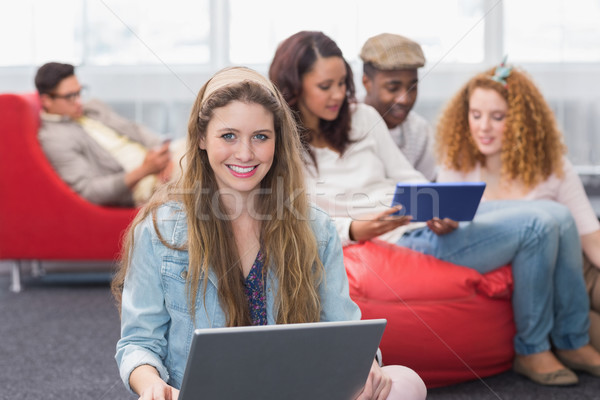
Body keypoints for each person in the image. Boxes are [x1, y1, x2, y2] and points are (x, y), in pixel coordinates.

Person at [268, 30, 600, 386]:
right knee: (537, 226)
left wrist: (437, 207)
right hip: (393, 244)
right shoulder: (283, 148)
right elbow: (296, 220)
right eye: (325, 86)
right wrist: (354, 228)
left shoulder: (361, 118)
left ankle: (572, 340)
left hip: (416, 221)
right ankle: (532, 350)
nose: (338, 95)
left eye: (342, 84)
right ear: (294, 87)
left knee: (560, 216)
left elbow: (405, 175)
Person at [112, 66, 427, 400]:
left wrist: (366, 367)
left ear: (277, 141)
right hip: (205, 395)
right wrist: (151, 385)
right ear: (202, 138)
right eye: (228, 135)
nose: (245, 153)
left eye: (260, 136)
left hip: (297, 390)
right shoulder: (160, 230)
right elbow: (138, 343)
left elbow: (343, 330)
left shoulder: (315, 227)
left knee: (406, 382)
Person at [435, 59, 600, 356]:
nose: (484, 127)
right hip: (529, 280)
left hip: (573, 272)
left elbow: (591, 238)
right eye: (475, 115)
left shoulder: (554, 167)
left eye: (498, 117)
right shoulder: (457, 166)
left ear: (523, 122)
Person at [35, 62, 184, 207]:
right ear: (47, 101)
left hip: (162, 161)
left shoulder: (92, 108)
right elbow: (89, 190)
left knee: (201, 140)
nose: (79, 101)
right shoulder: (54, 138)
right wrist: (146, 170)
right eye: (70, 96)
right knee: (200, 164)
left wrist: (163, 153)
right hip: (146, 185)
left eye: (80, 92)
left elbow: (134, 129)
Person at [359, 33, 437, 181]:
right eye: (393, 88)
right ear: (366, 82)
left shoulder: (419, 130)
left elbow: (428, 190)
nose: (404, 99)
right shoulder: (345, 122)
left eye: (412, 88)